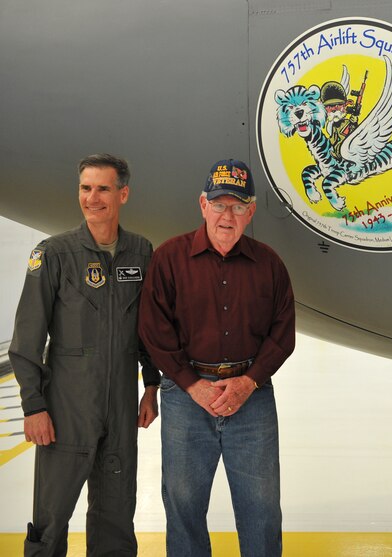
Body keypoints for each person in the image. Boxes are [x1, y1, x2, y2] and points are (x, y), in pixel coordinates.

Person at [139, 158, 295, 557]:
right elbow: (154, 329)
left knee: (261, 510)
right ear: (203, 204)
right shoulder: (170, 259)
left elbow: (282, 334)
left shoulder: (270, 265)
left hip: (252, 398)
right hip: (186, 398)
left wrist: (248, 382)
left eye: (238, 206)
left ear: (251, 211)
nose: (228, 215)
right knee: (184, 505)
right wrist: (192, 385)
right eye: (220, 204)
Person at [9, 153, 160, 556]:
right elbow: (27, 338)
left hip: (121, 412)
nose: (92, 198)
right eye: (85, 188)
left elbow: (150, 329)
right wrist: (33, 406)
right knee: (51, 522)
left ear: (123, 194)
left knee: (115, 521)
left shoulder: (141, 253)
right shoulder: (55, 254)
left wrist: (151, 387)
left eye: (103, 189)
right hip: (65, 413)